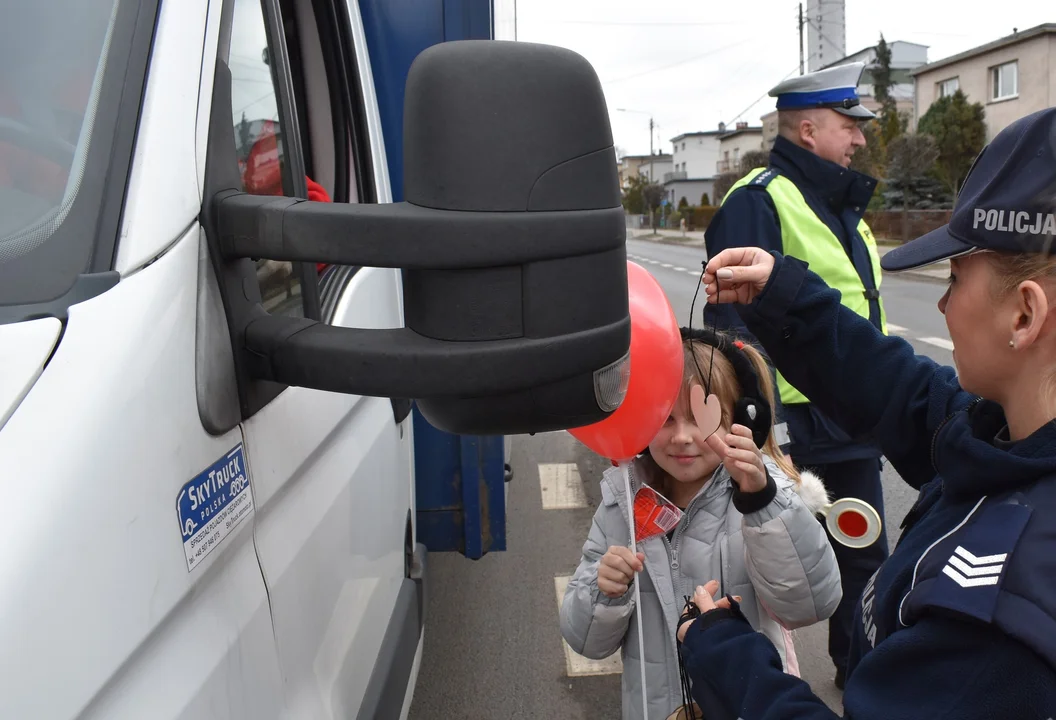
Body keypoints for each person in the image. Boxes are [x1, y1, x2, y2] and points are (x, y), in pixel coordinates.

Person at [676, 107, 1056, 719]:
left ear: (1024, 316)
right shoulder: (1009, 436)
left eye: (956, 276)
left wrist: (724, 652)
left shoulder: (1000, 614)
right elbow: (904, 394)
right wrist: (785, 298)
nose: (941, 302)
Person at [703, 61, 888, 688]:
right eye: (849, 124)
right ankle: (742, 682)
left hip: (854, 420)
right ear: (809, 129)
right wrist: (760, 427)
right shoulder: (758, 200)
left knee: (863, 556)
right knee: (759, 562)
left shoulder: (845, 210)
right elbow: (732, 326)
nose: (860, 138)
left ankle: (860, 679)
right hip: (790, 428)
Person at [559, 327, 842, 720]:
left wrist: (762, 501)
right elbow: (585, 638)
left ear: (742, 422)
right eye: (665, 419)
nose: (682, 437)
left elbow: (812, 602)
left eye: (703, 419)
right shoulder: (621, 504)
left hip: (750, 705)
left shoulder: (766, 499)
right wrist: (604, 592)